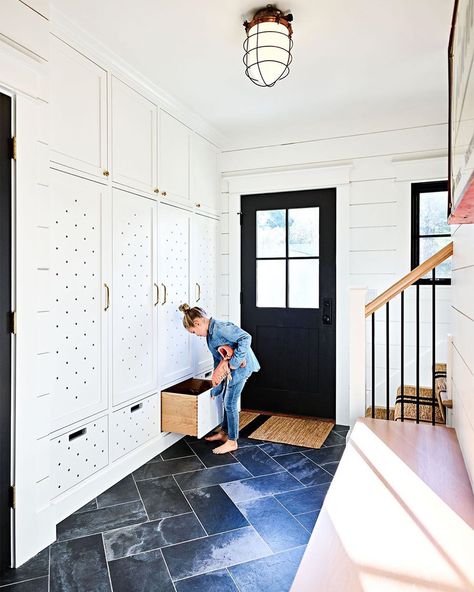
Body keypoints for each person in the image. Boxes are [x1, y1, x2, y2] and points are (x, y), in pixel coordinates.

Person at [178, 304, 260, 454]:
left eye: (194, 332)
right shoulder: (210, 335)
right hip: (232, 369)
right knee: (225, 398)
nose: (196, 335)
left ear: (197, 323)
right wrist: (217, 386)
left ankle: (232, 441)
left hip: (242, 367)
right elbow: (217, 360)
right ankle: (224, 433)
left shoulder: (221, 328)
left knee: (230, 402)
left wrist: (234, 363)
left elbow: (246, 338)